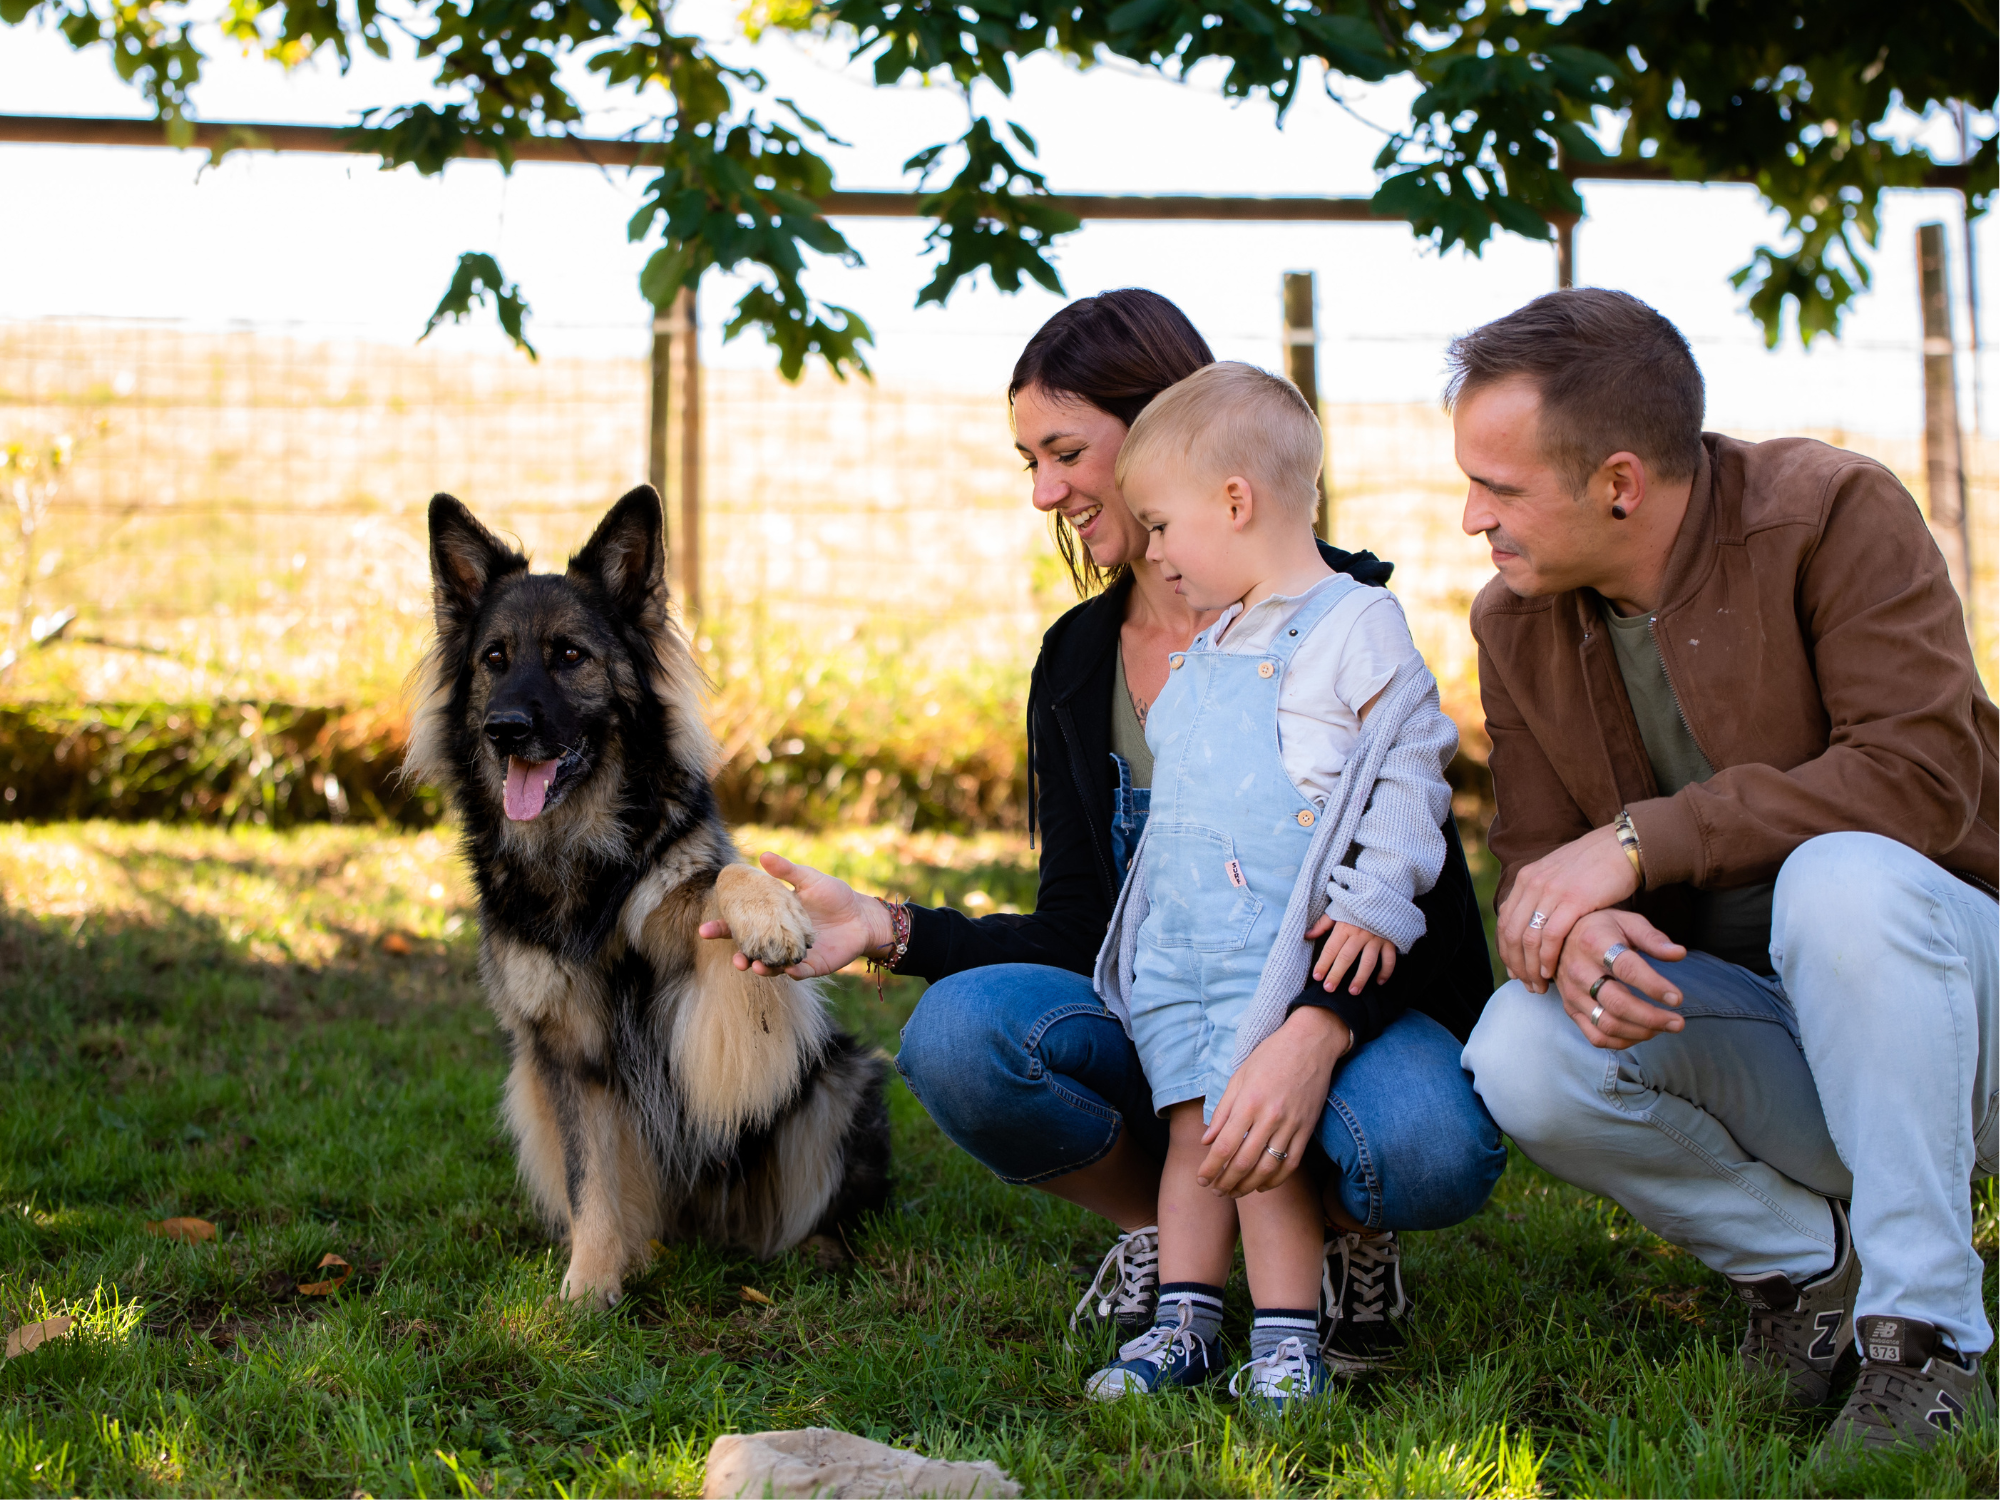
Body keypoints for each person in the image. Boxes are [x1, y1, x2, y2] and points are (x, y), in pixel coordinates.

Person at [702, 289, 1504, 1370]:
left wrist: (1311, 1033)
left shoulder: (1340, 622)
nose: (1045, 494)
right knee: (960, 1034)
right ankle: (1169, 1245)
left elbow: (1420, 902)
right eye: (1026, 461)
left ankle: (1345, 1240)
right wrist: (891, 929)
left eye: (1065, 452)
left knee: (1419, 1140)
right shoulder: (1079, 662)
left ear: (1168, 428)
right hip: (1177, 990)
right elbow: (1083, 923)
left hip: (1339, 1000)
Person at [1453, 288, 1997, 1453]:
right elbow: (1536, 857)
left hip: (1961, 1021)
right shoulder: (1513, 619)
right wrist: (1570, 932)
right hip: (1776, 1035)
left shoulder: (1829, 510)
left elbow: (1916, 777)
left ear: (1616, 482)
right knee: (1519, 1042)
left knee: (1836, 878)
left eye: (1496, 489)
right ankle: (1813, 1270)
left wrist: (1642, 840)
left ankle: (1927, 1342)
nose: (1468, 519)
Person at [1081, 362, 1462, 1407]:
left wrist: (1376, 901)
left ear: (1234, 503)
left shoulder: (1353, 624)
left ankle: (1287, 1339)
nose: (1151, 552)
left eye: (1159, 526)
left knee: (1260, 1146)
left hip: (1274, 944)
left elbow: (1407, 767)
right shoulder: (1218, 637)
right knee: (1193, 1135)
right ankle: (1186, 1324)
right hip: (1186, 946)